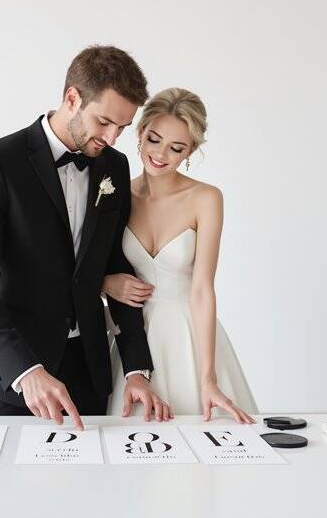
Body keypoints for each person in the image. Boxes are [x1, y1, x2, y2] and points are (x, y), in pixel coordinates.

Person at [0, 45, 172, 429]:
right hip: (13, 379)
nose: (112, 137)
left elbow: (116, 265)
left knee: (92, 490)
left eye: (122, 127)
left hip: (87, 374)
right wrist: (26, 371)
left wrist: (136, 368)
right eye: (104, 121)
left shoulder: (114, 167)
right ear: (72, 98)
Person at [102, 87, 258, 423]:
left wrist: (208, 378)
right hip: (132, 338)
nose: (160, 155)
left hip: (190, 336)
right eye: (154, 139)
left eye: (177, 148)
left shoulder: (206, 199)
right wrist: (105, 283)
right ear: (140, 133)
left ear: (191, 151)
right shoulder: (116, 194)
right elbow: (91, 266)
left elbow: (202, 289)